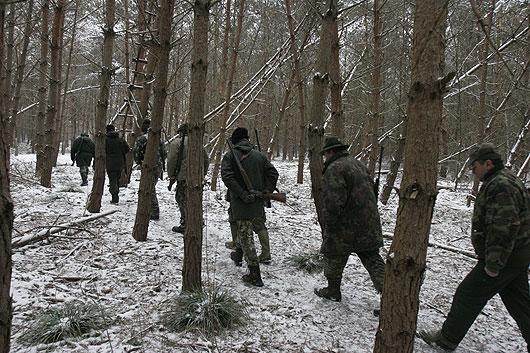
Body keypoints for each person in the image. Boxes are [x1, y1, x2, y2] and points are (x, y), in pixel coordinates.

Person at [419, 143, 530, 352]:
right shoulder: (502, 180)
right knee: (521, 304)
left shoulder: (501, 184)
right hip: (516, 256)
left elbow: (503, 227)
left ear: (488, 164)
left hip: (505, 258)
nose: (472, 170)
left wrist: (494, 264)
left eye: (475, 166)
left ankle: (446, 340)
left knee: (467, 294)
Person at [314, 136, 385, 302]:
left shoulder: (334, 168)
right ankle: (390, 298)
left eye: (325, 154)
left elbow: (333, 201)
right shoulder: (359, 164)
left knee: (332, 254)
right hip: (368, 222)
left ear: (331, 152)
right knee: (373, 259)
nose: (325, 157)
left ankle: (333, 290)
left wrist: (329, 225)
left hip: (346, 225)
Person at [221, 127, 279, 286]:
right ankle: (238, 255)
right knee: (246, 230)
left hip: (241, 203)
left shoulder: (230, 156)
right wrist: (266, 190)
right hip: (257, 202)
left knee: (246, 235)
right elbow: (273, 174)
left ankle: (255, 274)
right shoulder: (260, 156)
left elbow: (226, 177)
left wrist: (241, 193)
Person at [166, 123, 209, 233]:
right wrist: (202, 174)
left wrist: (171, 175)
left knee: (181, 199)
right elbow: (206, 160)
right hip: (197, 178)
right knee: (195, 199)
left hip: (183, 177)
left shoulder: (176, 143)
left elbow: (171, 160)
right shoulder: (198, 143)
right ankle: (197, 221)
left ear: (180, 132)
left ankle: (186, 223)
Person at [133, 118, 167, 220]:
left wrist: (140, 162)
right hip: (158, 166)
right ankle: (150, 209)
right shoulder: (158, 139)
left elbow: (136, 153)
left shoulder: (142, 139)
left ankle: (154, 211)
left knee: (149, 189)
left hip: (148, 166)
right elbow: (164, 153)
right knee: (151, 187)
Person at [105, 124, 130, 204]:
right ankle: (115, 194)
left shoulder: (105, 140)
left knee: (112, 180)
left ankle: (115, 197)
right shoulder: (120, 139)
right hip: (120, 163)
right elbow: (127, 149)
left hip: (109, 163)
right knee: (117, 179)